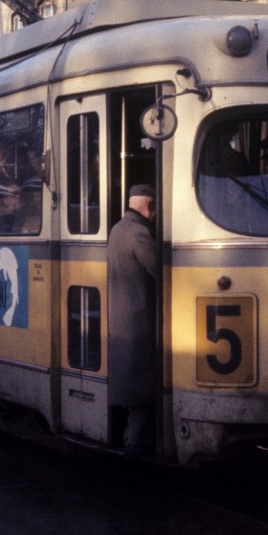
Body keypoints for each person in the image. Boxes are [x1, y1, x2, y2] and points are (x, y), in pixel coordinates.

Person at [107, 183, 158, 458]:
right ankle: (136, 442)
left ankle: (134, 438)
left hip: (123, 318)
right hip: (139, 319)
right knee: (142, 383)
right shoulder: (139, 234)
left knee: (134, 381)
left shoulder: (118, 229)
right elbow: (159, 270)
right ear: (150, 206)